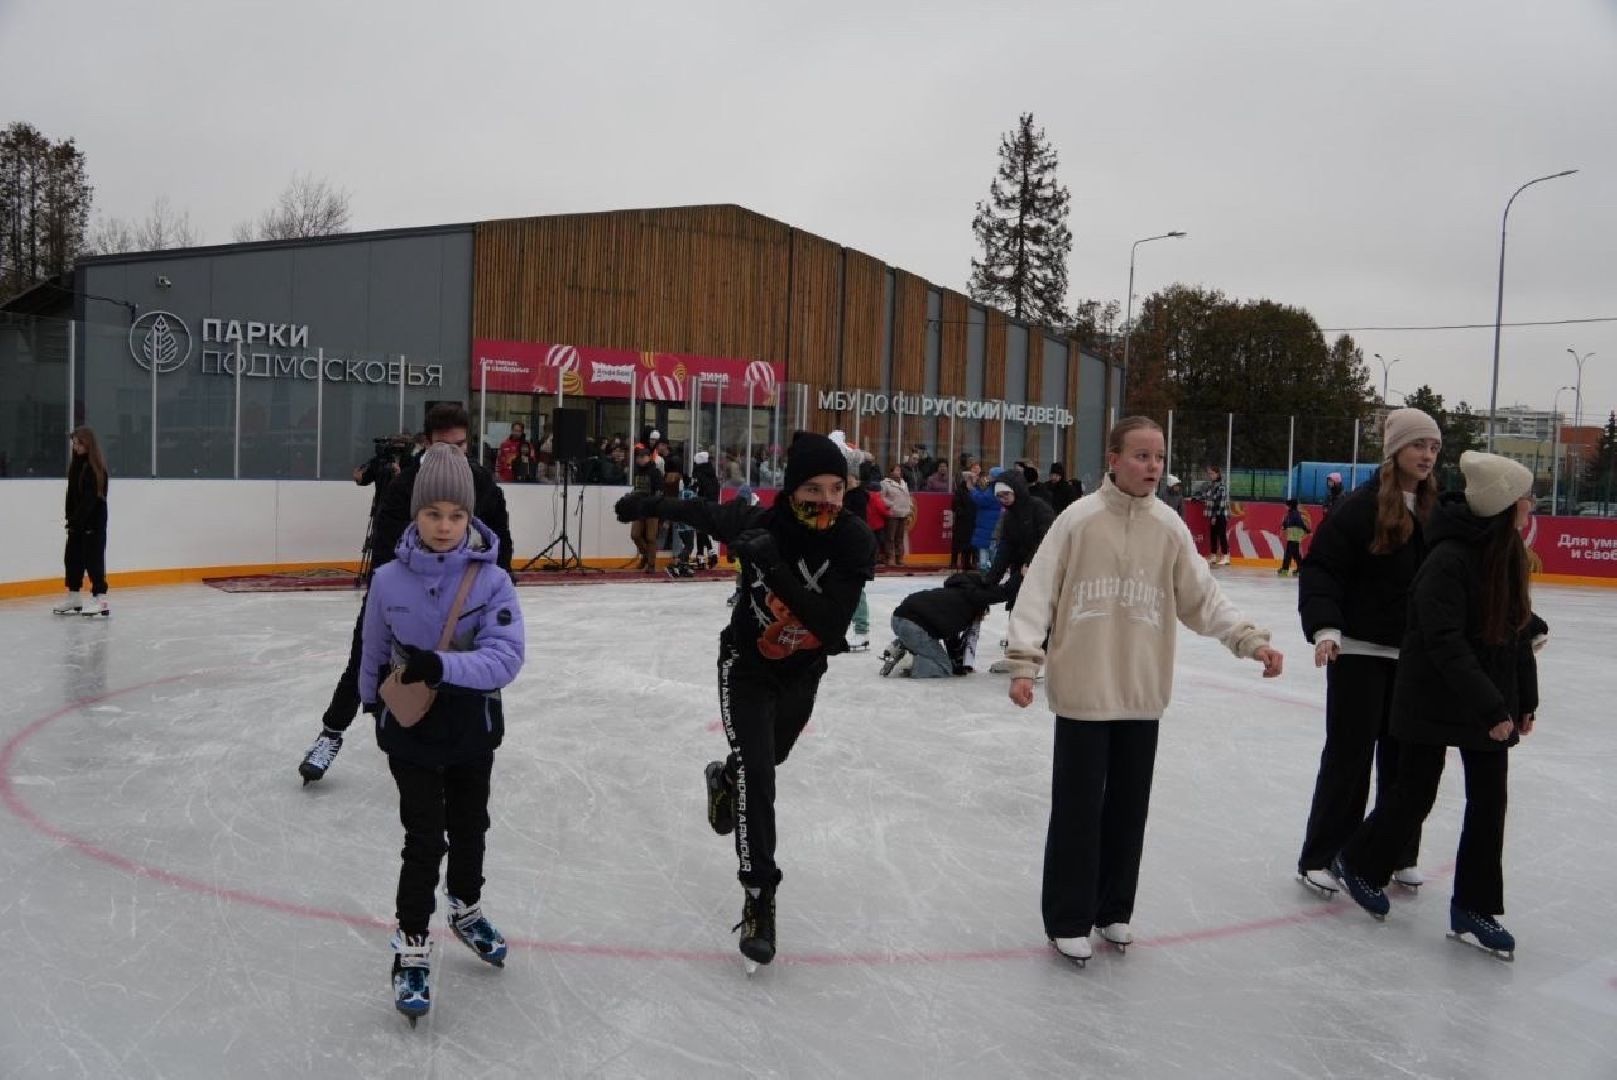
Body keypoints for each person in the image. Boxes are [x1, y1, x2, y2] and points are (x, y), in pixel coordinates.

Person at [1005, 417, 1284, 966]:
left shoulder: (1169, 528)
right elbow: (1037, 592)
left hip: (1141, 691)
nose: (1152, 467)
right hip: (1085, 691)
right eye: (1140, 455)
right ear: (1112, 458)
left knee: (1129, 809)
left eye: (1158, 457)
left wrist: (1250, 640)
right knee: (1078, 811)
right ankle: (1068, 917)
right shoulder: (1077, 520)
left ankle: (1113, 910)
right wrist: (1024, 661)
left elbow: (1203, 599)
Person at [613, 433, 877, 969]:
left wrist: (774, 567)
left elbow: (829, 627)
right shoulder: (761, 522)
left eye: (835, 489)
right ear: (789, 489)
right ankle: (760, 897)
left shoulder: (853, 539)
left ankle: (724, 779)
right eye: (811, 488)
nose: (825, 501)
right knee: (761, 775)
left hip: (803, 672)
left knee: (765, 762)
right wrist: (648, 504)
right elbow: (703, 511)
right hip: (747, 669)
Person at [1331, 452, 1539, 960]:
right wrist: (1493, 708)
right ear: (1501, 505)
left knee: (1490, 804)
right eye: (1523, 498)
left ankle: (1473, 906)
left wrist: (1524, 701)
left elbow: (1516, 631)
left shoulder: (1506, 552)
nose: (1531, 506)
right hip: (1431, 694)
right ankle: (1359, 861)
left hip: (1483, 697)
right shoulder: (1448, 559)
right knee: (1414, 794)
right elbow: (1446, 644)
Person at [359, 444, 526, 1022]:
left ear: (470, 516)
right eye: (434, 515)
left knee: (471, 827)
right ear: (416, 515)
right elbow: (374, 646)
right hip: (410, 729)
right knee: (424, 839)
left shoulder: (494, 580)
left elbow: (506, 660)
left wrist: (443, 665)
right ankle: (410, 945)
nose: (446, 527)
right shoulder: (386, 579)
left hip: (471, 725)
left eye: (457, 515)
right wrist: (366, 698)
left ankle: (466, 908)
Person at [298, 403, 514, 784]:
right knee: (364, 659)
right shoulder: (404, 486)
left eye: (460, 446)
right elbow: (384, 553)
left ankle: (453, 751)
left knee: (460, 668)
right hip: (404, 596)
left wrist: (494, 593)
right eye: (442, 446)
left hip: (464, 600)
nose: (452, 454)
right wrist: (397, 595)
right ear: (426, 444)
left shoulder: (483, 484)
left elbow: (501, 546)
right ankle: (331, 732)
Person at [1294, 408, 1442, 897]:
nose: (1426, 455)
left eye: (1434, 448)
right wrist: (1326, 629)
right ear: (1395, 450)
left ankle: (1395, 851)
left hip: (1414, 660)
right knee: (1349, 758)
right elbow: (1322, 571)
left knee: (1405, 764)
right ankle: (1320, 855)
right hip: (1358, 651)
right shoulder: (1358, 509)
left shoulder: (1436, 511)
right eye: (1418, 445)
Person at [883, 572, 1006, 678]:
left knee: (928, 645)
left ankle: (900, 645)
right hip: (913, 627)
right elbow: (951, 639)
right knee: (944, 668)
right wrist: (956, 667)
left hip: (898, 619)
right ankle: (909, 661)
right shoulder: (966, 609)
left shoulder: (952, 593)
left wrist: (958, 664)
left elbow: (949, 636)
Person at [54, 426, 111, 617]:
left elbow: (91, 500)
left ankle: (100, 599)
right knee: (72, 559)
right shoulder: (76, 465)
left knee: (94, 561)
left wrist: (79, 520)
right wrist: (71, 519)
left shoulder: (95, 468)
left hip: (93, 523)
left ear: (88, 444)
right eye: (74, 443)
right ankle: (74, 597)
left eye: (78, 443)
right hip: (77, 523)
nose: (75, 447)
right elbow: (71, 496)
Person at [627, 444, 664, 573]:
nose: (640, 459)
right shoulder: (637, 471)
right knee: (635, 535)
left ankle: (651, 565)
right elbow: (637, 489)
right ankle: (646, 555)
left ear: (649, 457)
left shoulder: (655, 472)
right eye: (639, 457)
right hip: (638, 508)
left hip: (652, 509)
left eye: (643, 457)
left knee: (650, 537)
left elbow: (660, 491)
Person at [880, 464, 913, 567]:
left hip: (903, 512)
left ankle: (899, 557)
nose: (898, 472)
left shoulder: (904, 483)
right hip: (892, 513)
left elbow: (907, 497)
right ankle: (890, 557)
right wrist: (891, 504)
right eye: (896, 470)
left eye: (899, 470)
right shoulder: (885, 483)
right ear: (891, 472)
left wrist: (909, 507)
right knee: (890, 537)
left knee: (899, 537)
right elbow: (881, 497)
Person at [950, 466, 980, 572]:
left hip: (973, 521)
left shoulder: (976, 490)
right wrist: (963, 513)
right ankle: (953, 562)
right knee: (958, 542)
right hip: (962, 521)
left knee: (970, 543)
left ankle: (967, 563)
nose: (976, 480)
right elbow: (955, 506)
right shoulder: (960, 491)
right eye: (973, 479)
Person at [1203, 465, 1230, 565]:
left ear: (1217, 474)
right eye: (1209, 474)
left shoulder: (1221, 486)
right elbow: (1207, 496)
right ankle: (1213, 556)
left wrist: (1214, 516)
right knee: (1213, 535)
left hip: (1220, 514)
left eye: (1212, 473)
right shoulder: (1212, 485)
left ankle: (1226, 556)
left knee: (1222, 534)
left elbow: (1219, 502)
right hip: (1213, 514)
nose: (1210, 475)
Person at [1278, 498, 1311, 576]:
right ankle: (1301, 569)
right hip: (1292, 536)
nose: (1286, 506)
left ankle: (1285, 569)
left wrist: (1307, 530)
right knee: (1295, 554)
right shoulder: (1290, 513)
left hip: (1295, 536)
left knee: (1288, 553)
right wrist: (1284, 526)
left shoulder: (1295, 514)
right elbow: (1287, 522)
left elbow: (1300, 523)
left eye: (1287, 505)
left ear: (1291, 505)